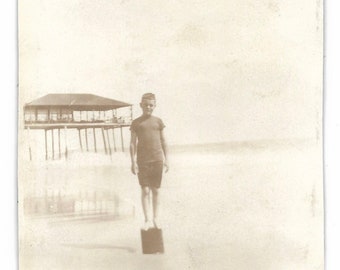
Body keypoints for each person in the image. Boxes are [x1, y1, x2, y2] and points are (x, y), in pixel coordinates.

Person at [130, 93, 169, 230]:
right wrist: (133, 162)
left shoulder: (158, 121)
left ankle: (156, 219)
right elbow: (132, 144)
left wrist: (167, 160)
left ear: (155, 106)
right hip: (143, 161)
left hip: (157, 160)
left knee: (156, 190)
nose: (148, 107)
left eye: (151, 105)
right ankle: (147, 220)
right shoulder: (136, 123)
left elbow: (164, 141)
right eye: (145, 105)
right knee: (145, 190)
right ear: (141, 105)